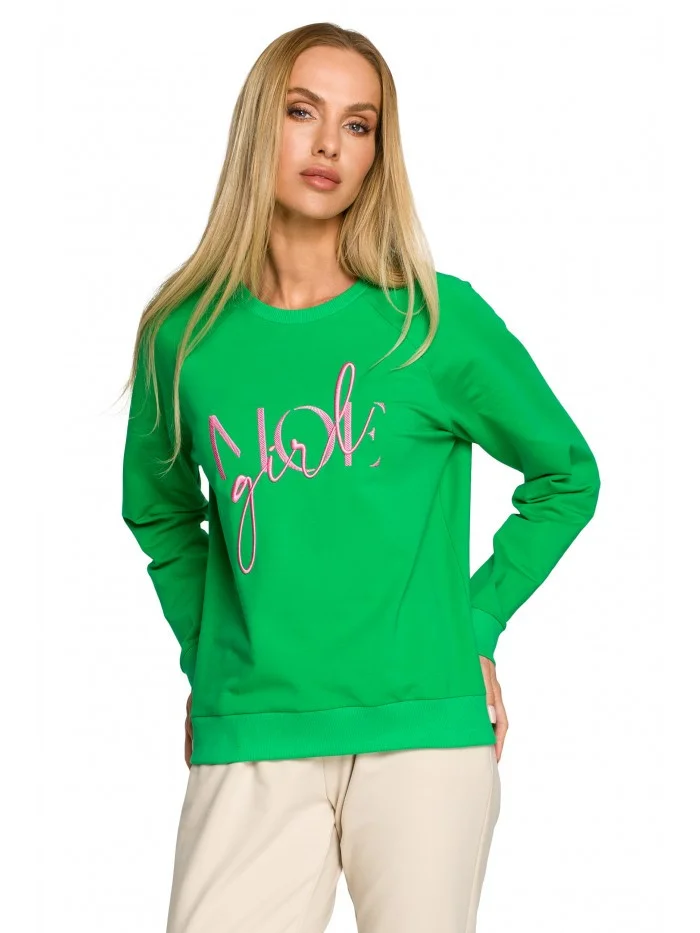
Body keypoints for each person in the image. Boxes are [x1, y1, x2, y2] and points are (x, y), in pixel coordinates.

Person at [119, 21, 601, 933]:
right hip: (255, 733)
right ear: (260, 124)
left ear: (380, 151)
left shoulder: (435, 322)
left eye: (360, 124)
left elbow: (566, 474)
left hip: (425, 737)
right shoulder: (182, 336)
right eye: (303, 112)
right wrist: (210, 653)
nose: (330, 145)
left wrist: (477, 622)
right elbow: (160, 511)